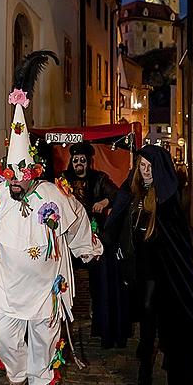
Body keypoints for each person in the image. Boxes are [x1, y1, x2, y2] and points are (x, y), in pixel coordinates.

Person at [0, 52, 103, 385]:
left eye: (20, 176)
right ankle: (16, 375)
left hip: (43, 285)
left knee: (42, 337)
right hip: (8, 283)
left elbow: (78, 219)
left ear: (32, 170)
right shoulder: (0, 192)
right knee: (3, 335)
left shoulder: (51, 193)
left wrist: (86, 248)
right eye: (10, 175)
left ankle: (39, 382)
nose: (14, 182)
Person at [104, 145, 193, 385]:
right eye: (142, 166)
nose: (146, 171)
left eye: (150, 167)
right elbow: (116, 224)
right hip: (137, 268)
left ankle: (144, 378)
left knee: (151, 315)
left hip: (163, 271)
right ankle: (146, 356)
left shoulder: (167, 200)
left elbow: (178, 243)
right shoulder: (131, 193)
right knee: (144, 313)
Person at [63, 142, 118, 347]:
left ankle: (101, 318)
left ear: (88, 162)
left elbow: (117, 195)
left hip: (92, 237)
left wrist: (105, 202)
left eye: (82, 161)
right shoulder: (63, 179)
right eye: (76, 161)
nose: (79, 165)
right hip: (68, 238)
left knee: (100, 274)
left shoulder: (99, 179)